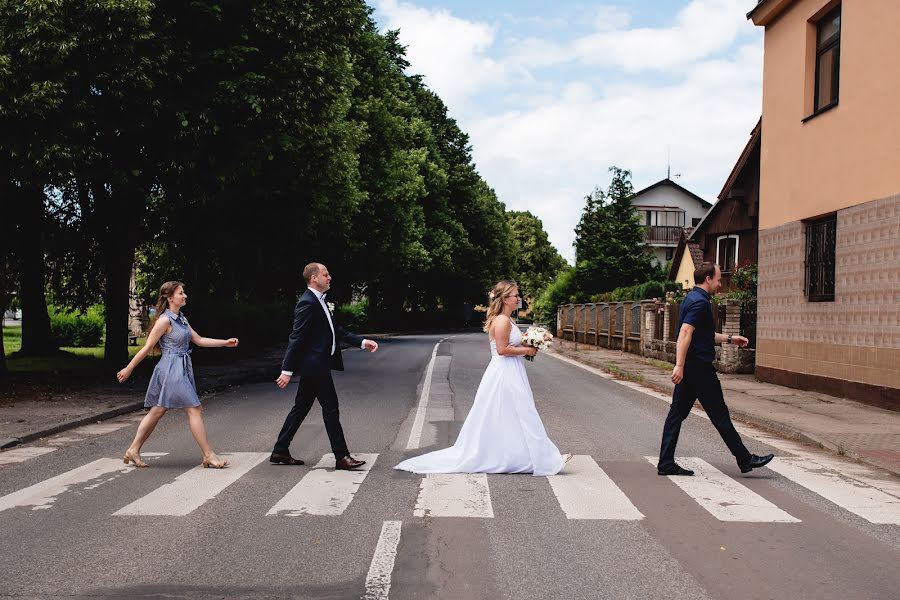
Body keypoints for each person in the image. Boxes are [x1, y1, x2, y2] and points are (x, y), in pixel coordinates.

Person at [395, 280, 571, 476]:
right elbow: (503, 350)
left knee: (512, 414)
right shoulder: (503, 321)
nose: (518, 298)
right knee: (523, 412)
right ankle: (542, 459)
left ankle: (532, 456)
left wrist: (533, 341)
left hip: (509, 370)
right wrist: (527, 349)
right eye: (515, 296)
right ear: (505, 299)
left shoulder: (506, 319)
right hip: (505, 372)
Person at [657, 262, 774, 476]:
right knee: (719, 415)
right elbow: (685, 333)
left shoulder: (690, 299)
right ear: (708, 279)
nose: (720, 284)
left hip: (693, 368)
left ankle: (665, 462)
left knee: (677, 415)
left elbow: (703, 335)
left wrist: (730, 338)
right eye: (718, 279)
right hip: (699, 369)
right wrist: (679, 366)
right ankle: (745, 459)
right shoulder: (700, 303)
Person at [117, 281, 239, 469]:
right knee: (194, 409)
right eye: (181, 293)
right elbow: (147, 348)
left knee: (158, 410)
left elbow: (198, 340)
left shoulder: (181, 318)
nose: (185, 296)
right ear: (170, 297)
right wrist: (129, 368)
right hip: (170, 369)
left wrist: (224, 342)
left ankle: (133, 449)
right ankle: (208, 455)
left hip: (180, 367)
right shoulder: (164, 321)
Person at [271, 263, 378, 470]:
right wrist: (286, 370)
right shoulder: (307, 303)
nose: (329, 278)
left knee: (301, 408)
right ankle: (342, 456)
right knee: (331, 408)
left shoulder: (320, 301)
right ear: (313, 278)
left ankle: (280, 450)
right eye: (325, 274)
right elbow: (297, 337)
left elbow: (335, 330)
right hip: (315, 366)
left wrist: (362, 342)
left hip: (317, 365)